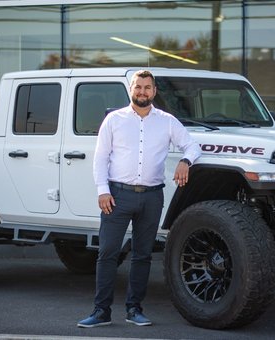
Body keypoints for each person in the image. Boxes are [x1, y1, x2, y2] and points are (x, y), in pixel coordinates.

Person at [77, 70, 201, 328]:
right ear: (130, 90)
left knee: (142, 255)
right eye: (138, 87)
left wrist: (185, 161)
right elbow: (100, 157)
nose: (142, 91)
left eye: (147, 87)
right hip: (117, 196)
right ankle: (101, 312)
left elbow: (192, 146)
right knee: (107, 253)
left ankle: (134, 309)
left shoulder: (167, 121)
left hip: (152, 197)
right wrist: (103, 190)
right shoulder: (114, 120)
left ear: (154, 92)